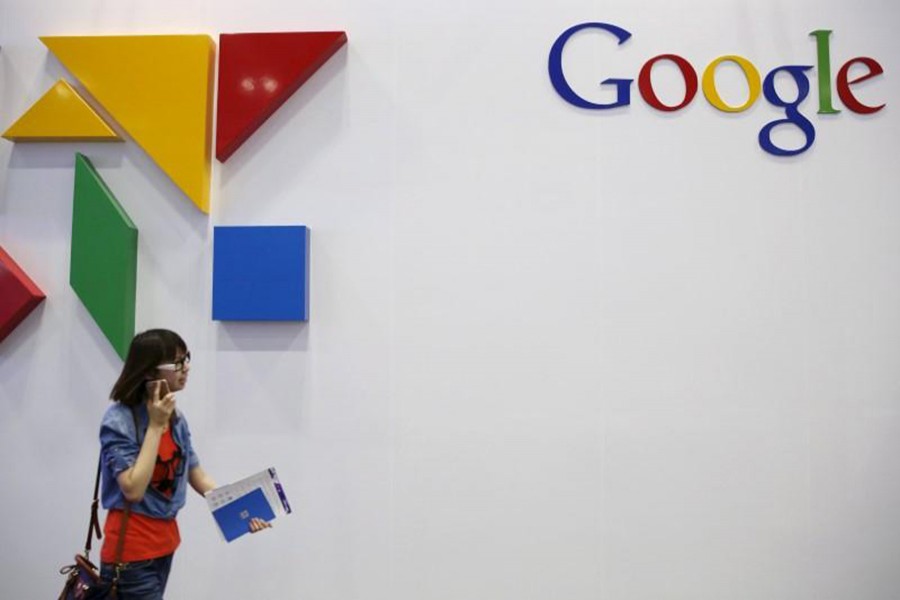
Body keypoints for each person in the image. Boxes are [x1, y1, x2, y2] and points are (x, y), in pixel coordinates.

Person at [98, 329, 269, 599]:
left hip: (164, 547)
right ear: (148, 372)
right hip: (130, 555)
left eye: (186, 359)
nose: (186, 368)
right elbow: (133, 489)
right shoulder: (119, 420)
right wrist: (155, 426)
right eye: (177, 363)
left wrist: (243, 510)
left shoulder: (176, 418)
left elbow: (197, 475)